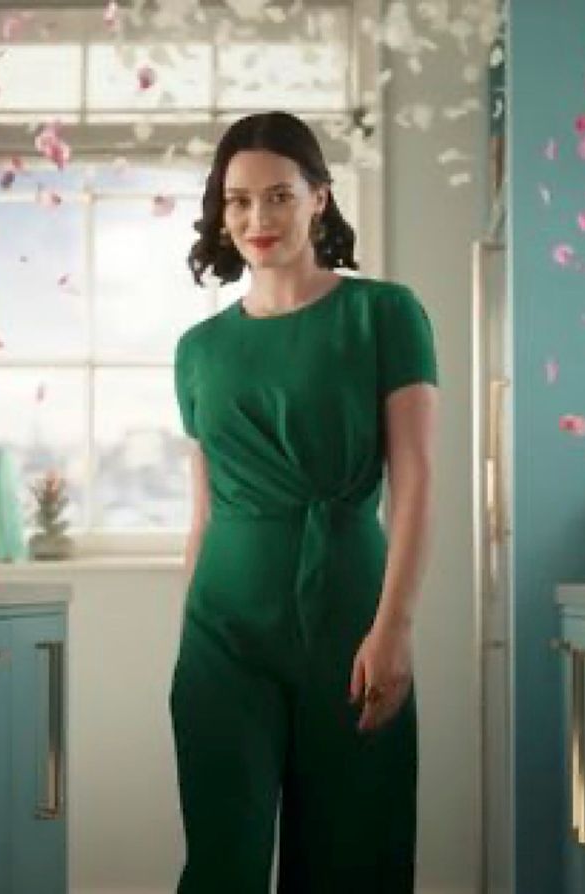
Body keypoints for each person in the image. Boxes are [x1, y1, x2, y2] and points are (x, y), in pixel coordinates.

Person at [169, 110, 439, 893]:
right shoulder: (199, 350)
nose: (258, 219)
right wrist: (189, 637)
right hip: (223, 631)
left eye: (279, 196)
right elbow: (206, 510)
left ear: (320, 197)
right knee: (224, 862)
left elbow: (416, 479)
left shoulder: (385, 314)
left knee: (355, 856)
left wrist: (393, 629)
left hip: (352, 611)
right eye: (239, 201)